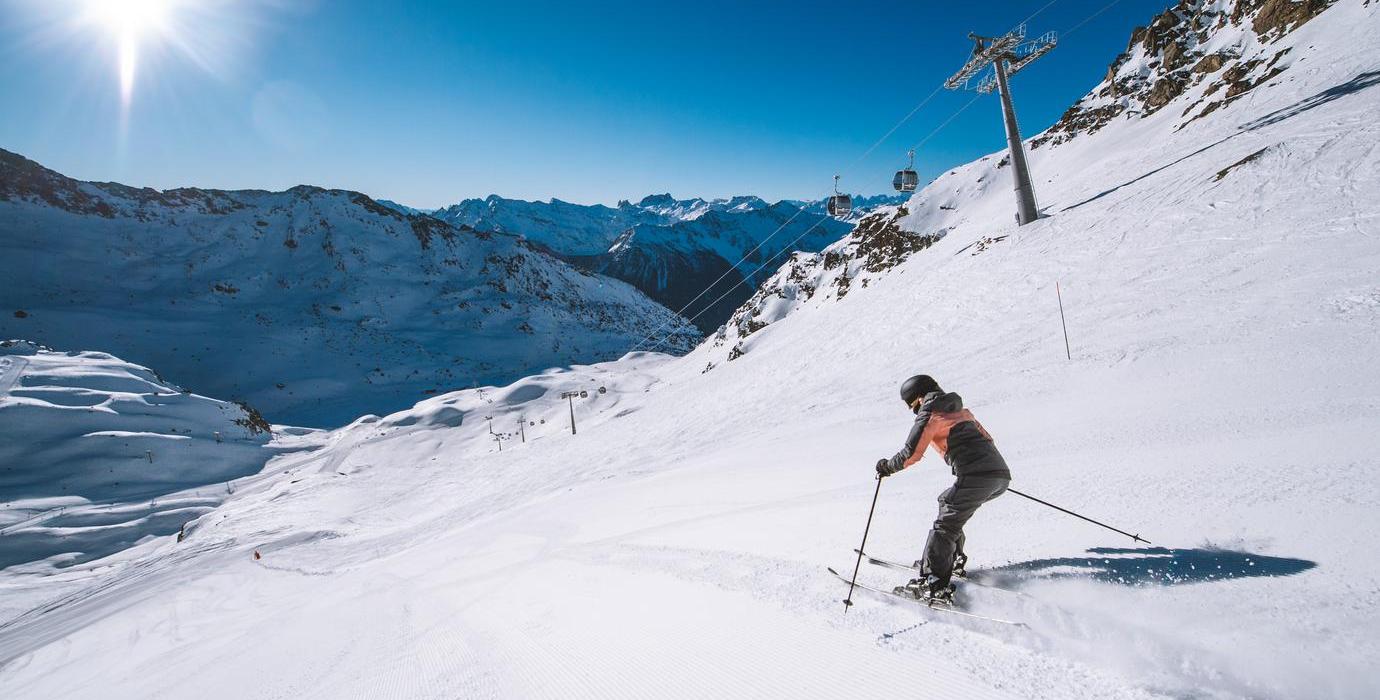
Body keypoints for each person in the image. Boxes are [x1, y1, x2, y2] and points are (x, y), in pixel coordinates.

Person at [875, 374, 1011, 603]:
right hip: (999, 476)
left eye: (911, 406)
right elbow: (987, 439)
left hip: (978, 476)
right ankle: (950, 559)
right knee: (946, 501)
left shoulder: (931, 412)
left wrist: (887, 466)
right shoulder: (960, 410)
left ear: (918, 398)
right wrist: (989, 473)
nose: (912, 411)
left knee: (946, 523)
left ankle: (934, 583)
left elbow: (911, 453)